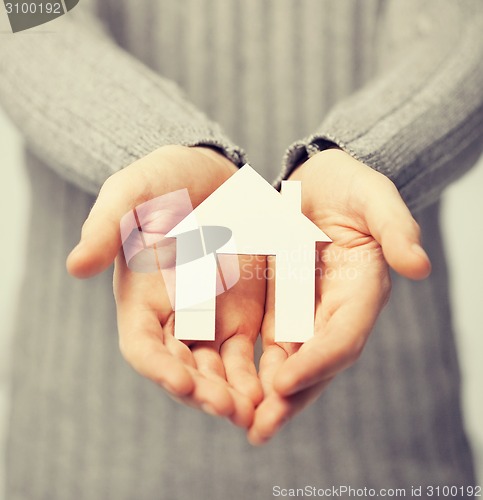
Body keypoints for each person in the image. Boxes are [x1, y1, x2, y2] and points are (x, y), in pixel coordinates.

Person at [1, 0, 482, 498]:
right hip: (85, 441)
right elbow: (25, 17)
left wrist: (370, 153)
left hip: (387, 437)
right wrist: (152, 147)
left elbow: (462, 25)